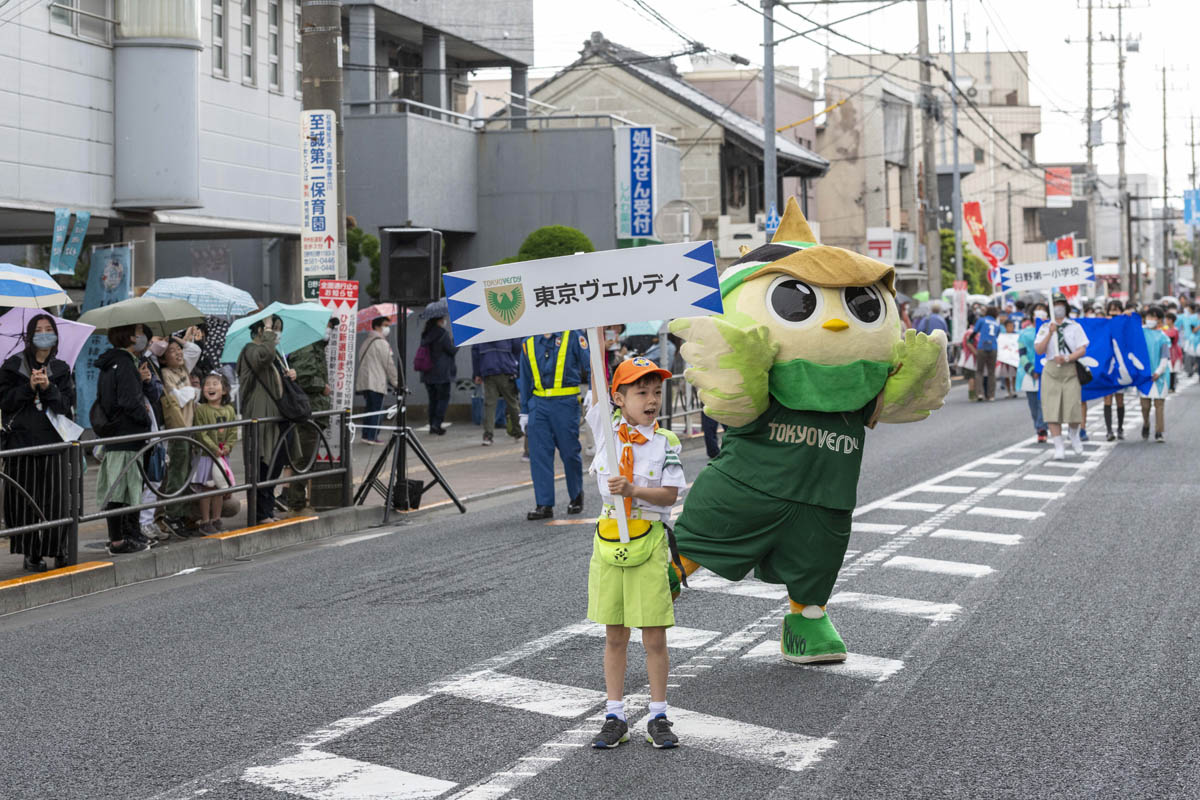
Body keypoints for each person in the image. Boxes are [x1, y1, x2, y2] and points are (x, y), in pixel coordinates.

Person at [585, 357, 686, 750]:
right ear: (619, 398)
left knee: (654, 636)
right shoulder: (606, 432)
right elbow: (596, 375)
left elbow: (670, 494)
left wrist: (633, 491)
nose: (651, 400)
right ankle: (615, 715)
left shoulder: (666, 443)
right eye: (641, 392)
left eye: (657, 392)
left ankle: (658, 715)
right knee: (614, 635)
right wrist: (597, 335)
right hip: (609, 544)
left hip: (649, 544)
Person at [0, 314, 76, 571]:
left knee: (56, 500)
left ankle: (58, 548)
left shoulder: (62, 369)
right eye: (38, 330)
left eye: (49, 329)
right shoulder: (12, 366)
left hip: (54, 442)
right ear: (29, 336)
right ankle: (30, 552)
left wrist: (48, 387)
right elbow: (5, 402)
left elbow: (66, 406)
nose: (44, 334)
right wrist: (28, 387)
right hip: (21, 443)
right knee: (23, 501)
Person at [94, 323, 158, 553]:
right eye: (140, 332)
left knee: (123, 487)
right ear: (130, 336)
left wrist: (140, 382)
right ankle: (120, 540)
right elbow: (129, 402)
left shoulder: (112, 363)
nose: (142, 337)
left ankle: (128, 535)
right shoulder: (124, 363)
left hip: (116, 433)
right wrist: (144, 417)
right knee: (123, 488)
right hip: (127, 434)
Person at [519, 330, 589, 520]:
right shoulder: (528, 341)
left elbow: (590, 365)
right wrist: (524, 410)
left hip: (565, 403)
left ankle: (576, 495)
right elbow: (524, 378)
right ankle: (544, 504)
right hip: (538, 404)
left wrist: (593, 391)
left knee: (569, 452)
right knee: (539, 454)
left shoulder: (572, 335)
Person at [237, 314, 295, 525]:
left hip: (275, 415)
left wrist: (289, 375)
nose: (276, 333)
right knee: (262, 462)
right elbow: (264, 357)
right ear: (260, 331)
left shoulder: (270, 353)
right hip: (260, 415)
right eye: (272, 328)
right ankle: (260, 513)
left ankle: (267, 508)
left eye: (277, 329)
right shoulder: (250, 350)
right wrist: (269, 330)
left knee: (275, 463)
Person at [286, 318, 334, 512]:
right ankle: (295, 501)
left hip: (313, 409)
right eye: (327, 325)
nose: (329, 330)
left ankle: (296, 499)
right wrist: (321, 386)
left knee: (307, 457)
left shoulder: (315, 346)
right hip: (308, 409)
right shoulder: (306, 347)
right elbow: (302, 378)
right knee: (304, 457)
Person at [1034, 294, 1089, 460]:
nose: (1058, 307)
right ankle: (1058, 446)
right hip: (1051, 370)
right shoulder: (1045, 327)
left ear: (1066, 307)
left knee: (1073, 407)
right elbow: (1039, 350)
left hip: (1070, 368)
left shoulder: (1074, 326)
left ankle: (1074, 435)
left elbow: (1082, 348)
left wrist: (1067, 358)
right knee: (1052, 409)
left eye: (1060, 304)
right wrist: (1050, 333)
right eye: (1055, 304)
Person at [158, 328, 202, 533]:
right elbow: (180, 397)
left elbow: (194, 350)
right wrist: (194, 391)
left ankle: (183, 513)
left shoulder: (183, 367)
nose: (178, 353)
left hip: (190, 426)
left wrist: (174, 339)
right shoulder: (165, 374)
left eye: (178, 350)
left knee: (186, 473)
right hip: (178, 428)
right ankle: (172, 514)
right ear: (164, 359)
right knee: (177, 472)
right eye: (172, 351)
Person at [191, 372, 238, 534]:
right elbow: (201, 433)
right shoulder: (202, 410)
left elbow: (233, 430)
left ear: (224, 390)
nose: (210, 387)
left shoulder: (230, 410)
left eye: (215, 384)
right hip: (207, 455)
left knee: (219, 488)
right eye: (207, 384)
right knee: (207, 488)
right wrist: (213, 448)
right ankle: (205, 521)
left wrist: (228, 446)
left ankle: (216, 519)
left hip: (223, 455)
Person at [471, 337, 523, 446]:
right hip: (507, 370)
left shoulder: (481, 331)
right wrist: (518, 370)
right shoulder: (506, 327)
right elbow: (518, 347)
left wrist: (477, 373)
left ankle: (488, 435)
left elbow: (475, 353)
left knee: (489, 404)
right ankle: (518, 432)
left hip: (488, 371)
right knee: (512, 402)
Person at [355, 316, 397, 445]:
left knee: (369, 409)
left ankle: (366, 435)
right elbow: (388, 364)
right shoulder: (381, 343)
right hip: (376, 381)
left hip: (366, 381)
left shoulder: (367, 341)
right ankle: (372, 437)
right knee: (377, 410)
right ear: (377, 326)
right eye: (385, 325)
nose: (387, 328)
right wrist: (396, 382)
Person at [417, 313, 457, 435]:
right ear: (439, 321)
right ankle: (436, 424)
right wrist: (456, 341)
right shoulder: (442, 334)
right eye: (444, 319)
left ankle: (432, 425)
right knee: (443, 399)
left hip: (427, 373)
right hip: (442, 373)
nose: (445, 321)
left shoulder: (426, 334)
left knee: (433, 400)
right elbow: (452, 350)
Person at [1138, 305, 1170, 443]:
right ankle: (1146, 424)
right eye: (1149, 316)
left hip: (1160, 377)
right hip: (1144, 377)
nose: (1151, 319)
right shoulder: (1140, 333)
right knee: (1145, 406)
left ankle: (1159, 432)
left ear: (1159, 320)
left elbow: (1164, 358)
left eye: (1154, 317)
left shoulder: (1162, 337)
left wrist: (1158, 372)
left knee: (1159, 405)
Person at [1016, 306, 1047, 443]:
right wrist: (1031, 369)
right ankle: (1038, 426)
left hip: (1046, 372)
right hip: (1029, 373)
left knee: (1043, 403)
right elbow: (1022, 354)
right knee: (1033, 404)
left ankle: (1042, 428)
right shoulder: (1024, 334)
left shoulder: (1049, 332)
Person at [971, 306, 1001, 401]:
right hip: (993, 347)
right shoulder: (997, 324)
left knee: (979, 371)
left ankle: (980, 394)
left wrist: (970, 339)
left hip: (982, 347)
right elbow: (996, 335)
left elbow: (975, 331)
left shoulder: (982, 320)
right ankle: (991, 395)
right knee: (991, 372)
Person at [1164, 311, 1181, 394]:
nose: (1165, 321)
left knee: (1172, 370)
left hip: (1173, 351)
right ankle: (1169, 385)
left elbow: (1171, 338)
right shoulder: (1166, 329)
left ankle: (1172, 386)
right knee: (1169, 369)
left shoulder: (1174, 330)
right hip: (1168, 350)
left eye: (1167, 319)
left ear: (1171, 320)